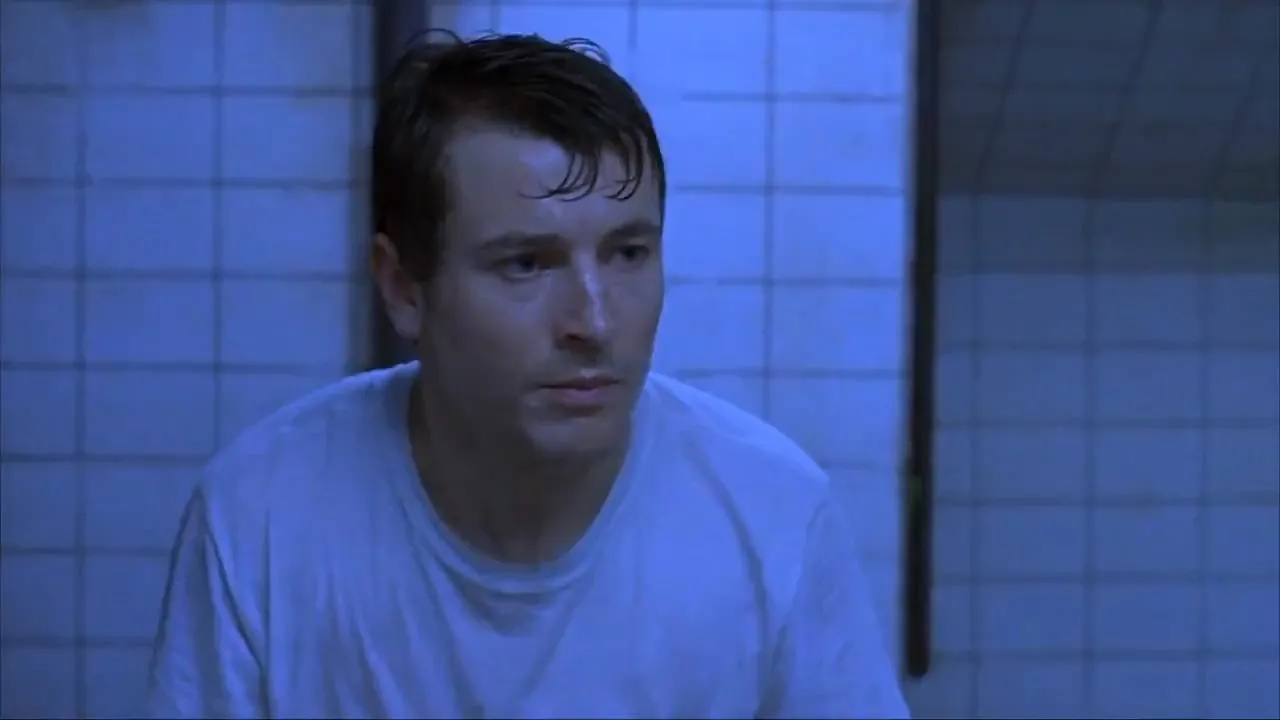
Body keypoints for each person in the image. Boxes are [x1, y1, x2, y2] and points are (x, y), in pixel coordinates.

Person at [146, 31, 910, 719]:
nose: (594, 321)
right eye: (526, 264)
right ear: (403, 288)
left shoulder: (771, 515)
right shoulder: (263, 516)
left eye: (628, 254)